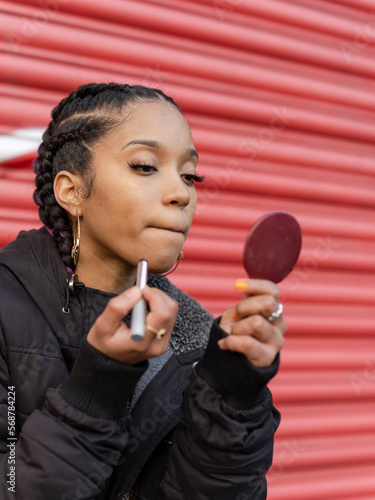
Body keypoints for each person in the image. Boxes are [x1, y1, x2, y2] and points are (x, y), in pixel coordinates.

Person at [0, 83, 286, 500]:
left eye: (190, 175)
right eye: (145, 166)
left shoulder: (190, 333)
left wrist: (228, 393)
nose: (181, 193)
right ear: (71, 190)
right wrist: (99, 383)